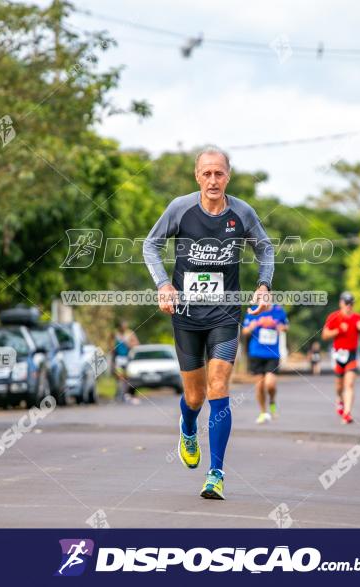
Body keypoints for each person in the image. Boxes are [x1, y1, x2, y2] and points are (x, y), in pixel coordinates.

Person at [143, 146, 274, 500]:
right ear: (197, 176)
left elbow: (265, 249)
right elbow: (150, 245)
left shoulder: (242, 212)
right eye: (207, 173)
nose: (213, 180)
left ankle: (215, 473)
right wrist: (163, 284)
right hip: (186, 315)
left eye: (219, 173)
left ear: (228, 176)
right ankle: (187, 426)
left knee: (218, 386)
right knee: (194, 395)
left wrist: (263, 285)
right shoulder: (180, 208)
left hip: (225, 313)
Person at [322, 291, 360, 424]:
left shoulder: (358, 318)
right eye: (346, 303)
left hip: (352, 354)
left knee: (350, 384)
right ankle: (339, 400)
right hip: (339, 354)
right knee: (339, 387)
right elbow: (324, 335)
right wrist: (339, 330)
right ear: (341, 303)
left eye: (351, 303)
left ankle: (347, 413)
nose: (348, 306)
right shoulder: (334, 317)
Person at [242, 304, 288, 423]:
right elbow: (245, 331)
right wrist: (256, 324)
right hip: (256, 353)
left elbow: (286, 327)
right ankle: (263, 412)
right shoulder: (252, 310)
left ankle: (272, 400)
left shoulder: (278, 310)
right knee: (259, 386)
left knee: (270, 384)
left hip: (272, 354)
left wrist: (277, 326)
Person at [110, 321, 140, 404]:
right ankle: (119, 395)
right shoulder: (115, 334)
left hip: (127, 358)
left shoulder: (130, 333)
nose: (123, 328)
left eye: (124, 326)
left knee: (126, 378)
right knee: (119, 377)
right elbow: (111, 344)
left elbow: (137, 344)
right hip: (118, 359)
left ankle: (125, 394)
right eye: (122, 326)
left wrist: (128, 343)